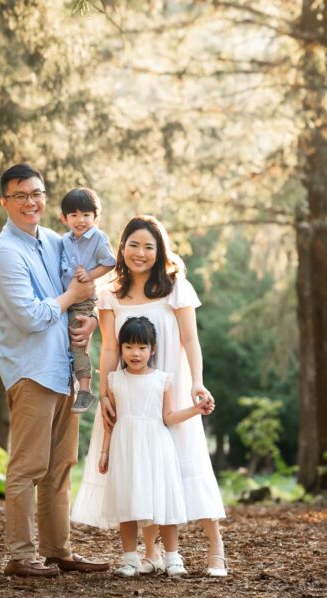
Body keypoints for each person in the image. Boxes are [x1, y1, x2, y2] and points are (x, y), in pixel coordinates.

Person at [71, 215, 229, 578]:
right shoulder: (109, 292)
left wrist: (197, 383)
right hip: (129, 394)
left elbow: (191, 340)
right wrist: (107, 392)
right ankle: (152, 552)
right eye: (133, 245)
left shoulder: (175, 286)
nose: (140, 253)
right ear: (122, 247)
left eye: (148, 247)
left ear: (159, 252)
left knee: (187, 462)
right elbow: (110, 346)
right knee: (138, 468)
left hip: (169, 388)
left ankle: (215, 546)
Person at [0, 163, 109, 578]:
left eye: (36, 193)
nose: (30, 202)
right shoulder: (4, 254)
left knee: (59, 467)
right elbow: (31, 317)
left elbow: (89, 271)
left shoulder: (54, 241)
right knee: (28, 467)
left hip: (63, 370)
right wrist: (72, 294)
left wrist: (87, 303)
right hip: (31, 372)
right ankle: (20, 555)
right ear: (5, 202)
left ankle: (59, 550)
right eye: (20, 195)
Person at [95, 316, 212, 578]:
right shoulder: (114, 381)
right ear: (121, 349)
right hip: (126, 447)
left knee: (163, 502)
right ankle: (129, 559)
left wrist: (195, 410)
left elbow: (168, 417)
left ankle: (172, 558)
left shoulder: (162, 380)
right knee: (127, 502)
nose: (135, 353)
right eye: (128, 347)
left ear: (153, 349)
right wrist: (105, 452)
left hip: (156, 446)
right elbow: (110, 422)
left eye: (141, 347)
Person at [58, 187, 116, 414]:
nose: (80, 220)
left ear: (96, 217)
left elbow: (110, 262)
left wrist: (90, 275)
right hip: (64, 298)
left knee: (77, 342)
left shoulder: (98, 237)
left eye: (86, 215)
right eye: (73, 215)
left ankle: (84, 390)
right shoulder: (64, 240)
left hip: (82, 300)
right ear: (64, 218)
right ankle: (71, 380)